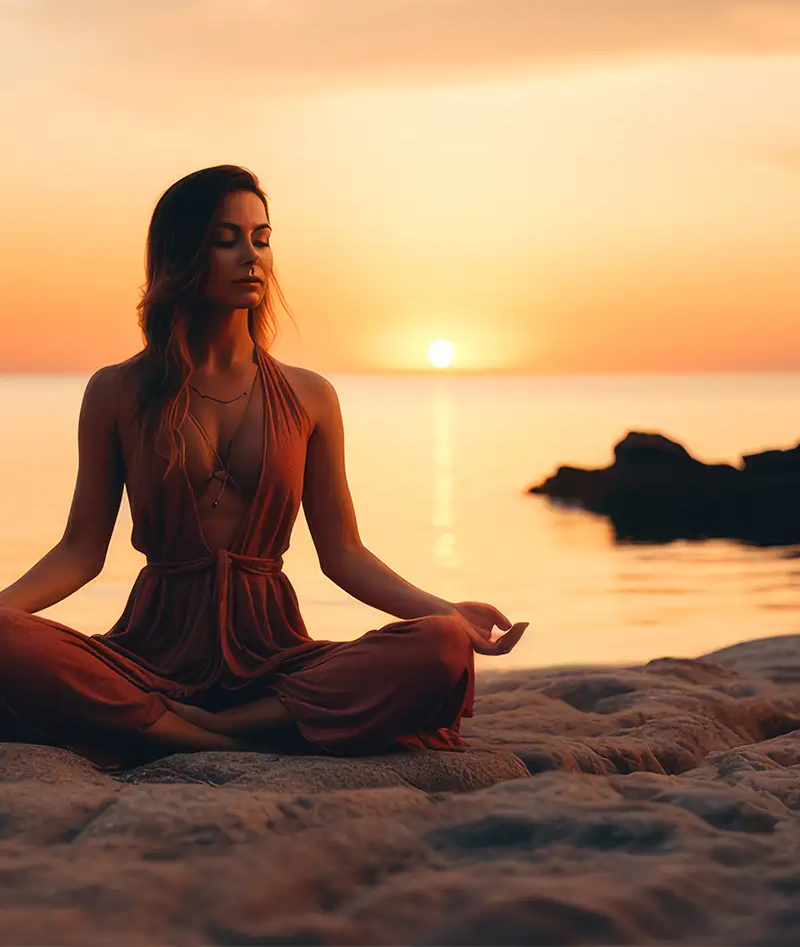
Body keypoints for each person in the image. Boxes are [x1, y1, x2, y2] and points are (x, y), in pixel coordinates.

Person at [0, 165, 528, 772]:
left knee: (438, 646)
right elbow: (80, 551)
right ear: (182, 255)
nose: (250, 256)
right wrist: (6, 608)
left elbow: (345, 554)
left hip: (276, 658)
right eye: (226, 239)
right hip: (149, 655)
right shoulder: (118, 391)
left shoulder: (310, 396)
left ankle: (201, 728)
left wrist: (447, 612)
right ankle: (223, 732)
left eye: (261, 238)